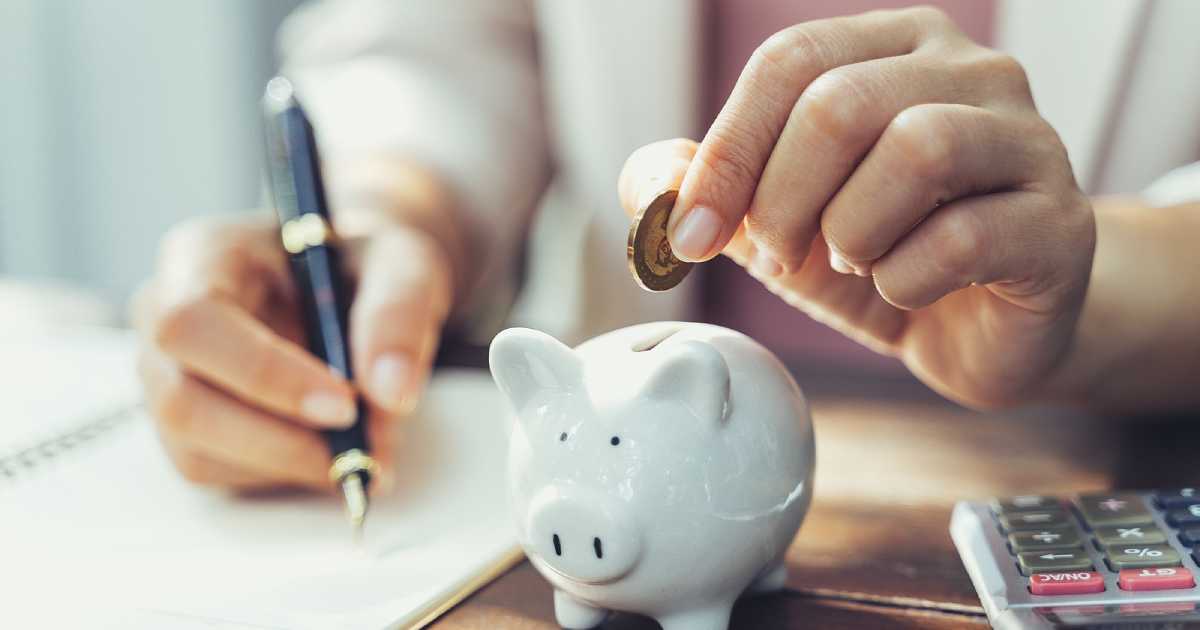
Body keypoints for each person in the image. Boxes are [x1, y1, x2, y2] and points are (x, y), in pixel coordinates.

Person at [133, 2, 1200, 492]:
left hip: (1118, 465)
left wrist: (1094, 286)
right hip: (628, 449)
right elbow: (440, 40)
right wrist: (393, 206)